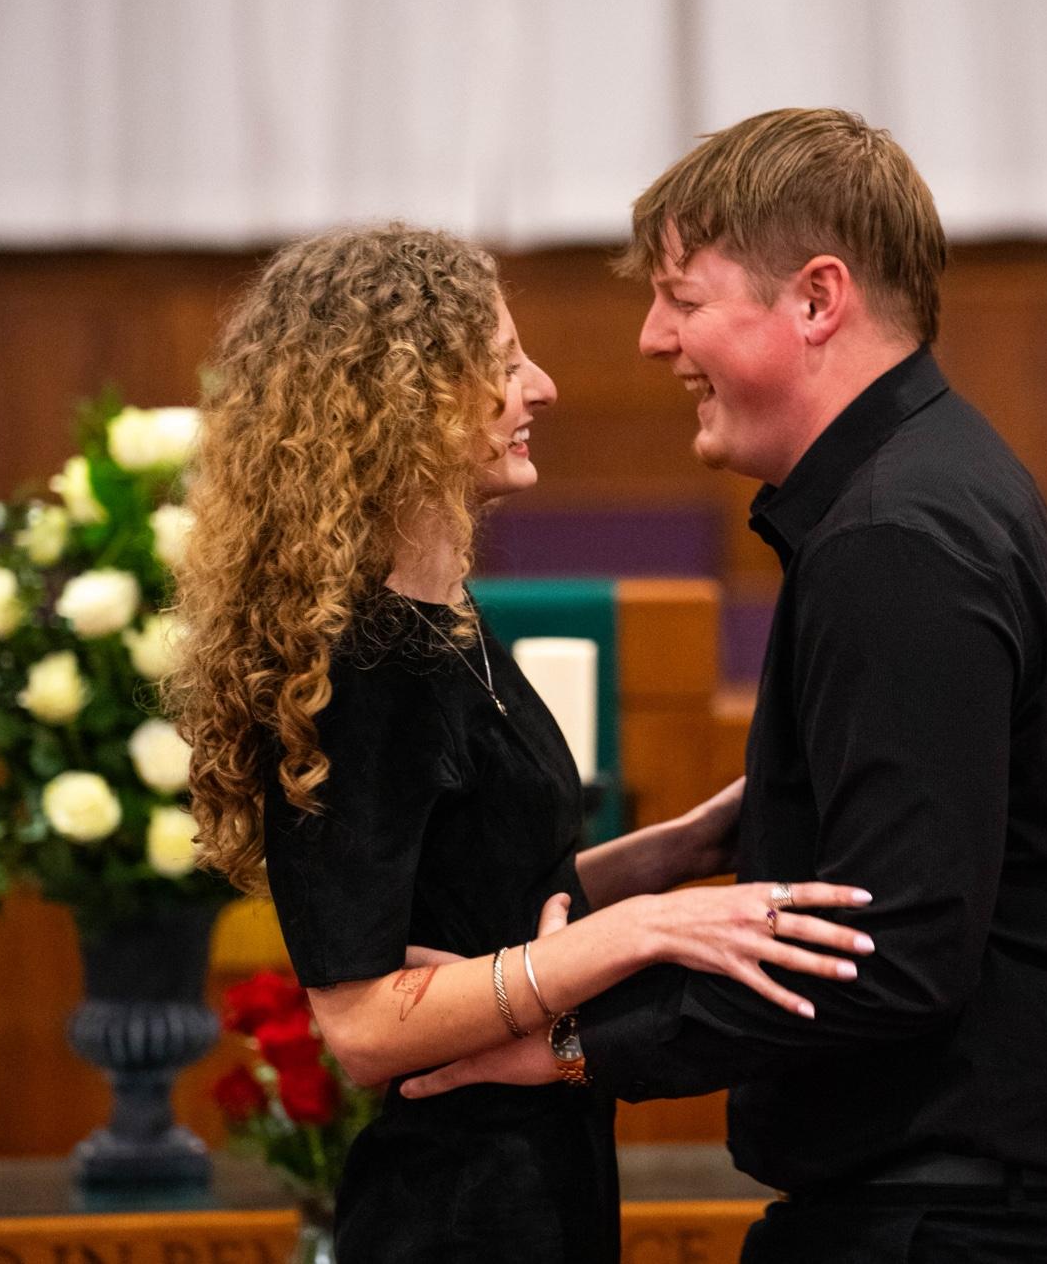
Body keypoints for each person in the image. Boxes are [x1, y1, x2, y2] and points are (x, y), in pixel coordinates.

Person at [397, 112, 1047, 1262]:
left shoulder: (892, 540)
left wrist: (575, 1040)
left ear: (817, 298)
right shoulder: (923, 485)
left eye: (680, 298)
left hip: (981, 1226)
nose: (650, 338)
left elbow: (891, 955)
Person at [167, 222, 872, 1263]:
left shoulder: (441, 621)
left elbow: (490, 893)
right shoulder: (360, 663)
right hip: (452, 1208)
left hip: (538, 1169)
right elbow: (361, 1024)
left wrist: (689, 843)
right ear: (401, 402)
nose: (540, 387)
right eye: (502, 366)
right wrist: (644, 932)